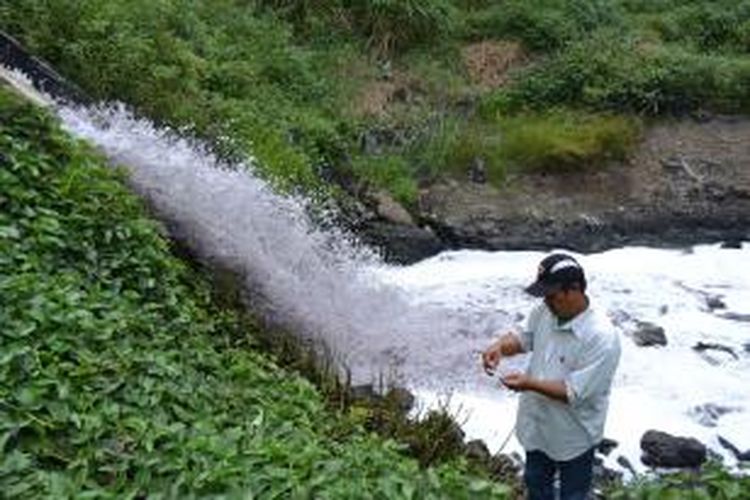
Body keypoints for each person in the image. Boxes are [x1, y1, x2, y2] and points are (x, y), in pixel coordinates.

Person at [482, 253, 621, 500]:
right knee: (536, 486)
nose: (546, 302)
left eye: (551, 295)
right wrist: (500, 347)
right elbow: (525, 338)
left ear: (574, 290)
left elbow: (572, 392)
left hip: (574, 436)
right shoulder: (546, 311)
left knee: (574, 495)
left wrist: (528, 383)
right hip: (537, 427)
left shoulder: (602, 337)